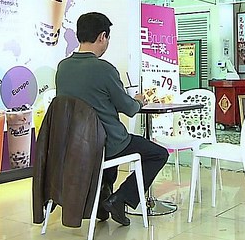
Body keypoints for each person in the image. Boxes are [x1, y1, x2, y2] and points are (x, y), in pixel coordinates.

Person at [55, 12, 168, 226]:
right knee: (157, 154)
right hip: (105, 143)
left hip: (75, 145)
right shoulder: (104, 69)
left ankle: (101, 200)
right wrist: (138, 100)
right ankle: (120, 199)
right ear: (102, 37)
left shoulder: (63, 67)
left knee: (112, 146)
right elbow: (129, 109)